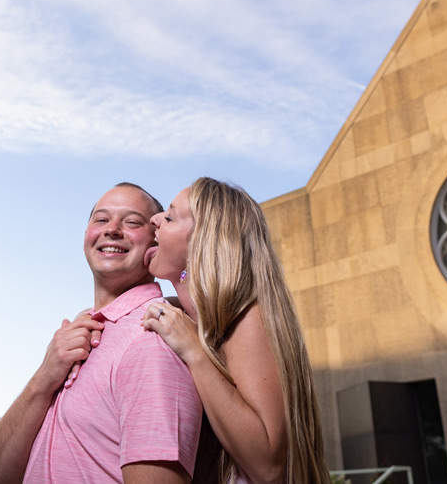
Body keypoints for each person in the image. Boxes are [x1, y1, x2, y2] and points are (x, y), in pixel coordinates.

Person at [0, 182, 204, 484]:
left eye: (132, 222)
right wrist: (43, 379)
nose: (111, 229)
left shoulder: (154, 337)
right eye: (101, 219)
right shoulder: (73, 339)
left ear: (156, 241)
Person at [141, 177, 331, 484]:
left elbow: (268, 467)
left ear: (203, 242)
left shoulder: (245, 317)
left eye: (170, 216)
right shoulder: (189, 318)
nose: (155, 219)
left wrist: (194, 352)